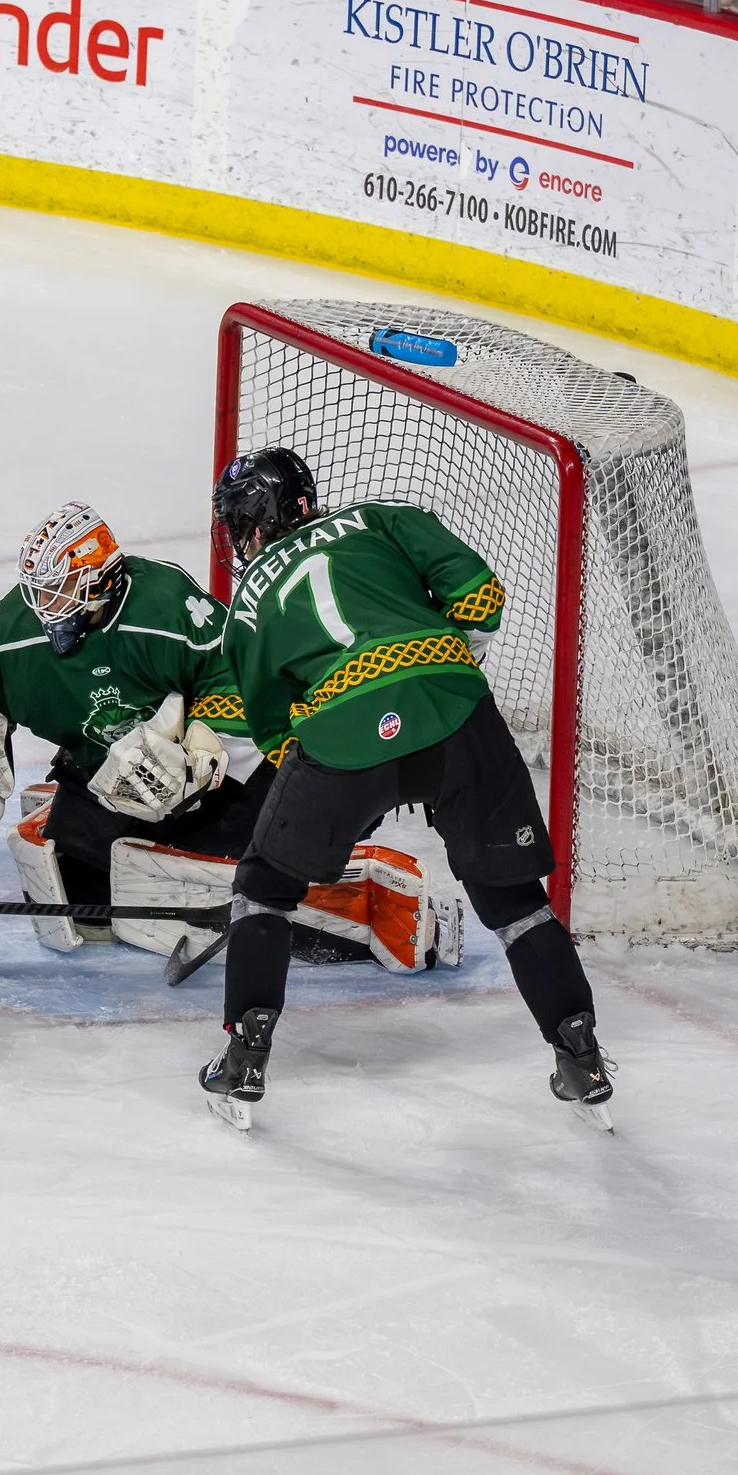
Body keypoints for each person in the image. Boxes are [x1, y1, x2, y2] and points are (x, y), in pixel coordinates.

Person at [195, 448, 611, 1133]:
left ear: (260, 523)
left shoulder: (248, 598)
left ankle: (244, 1059)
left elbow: (273, 729)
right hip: (455, 713)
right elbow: (481, 597)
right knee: (514, 906)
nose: (241, 539)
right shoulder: (383, 517)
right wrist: (435, 673)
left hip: (343, 733)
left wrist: (337, 796)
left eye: (242, 524)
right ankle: (582, 1059)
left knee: (265, 886)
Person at [0, 503, 265, 950]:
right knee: (84, 910)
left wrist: (205, 745)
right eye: (38, 589)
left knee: (243, 864)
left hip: (193, 779)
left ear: (101, 579)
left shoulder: (168, 604)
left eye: (58, 588)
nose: (42, 604)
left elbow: (236, 669)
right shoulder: (9, 627)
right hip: (100, 778)